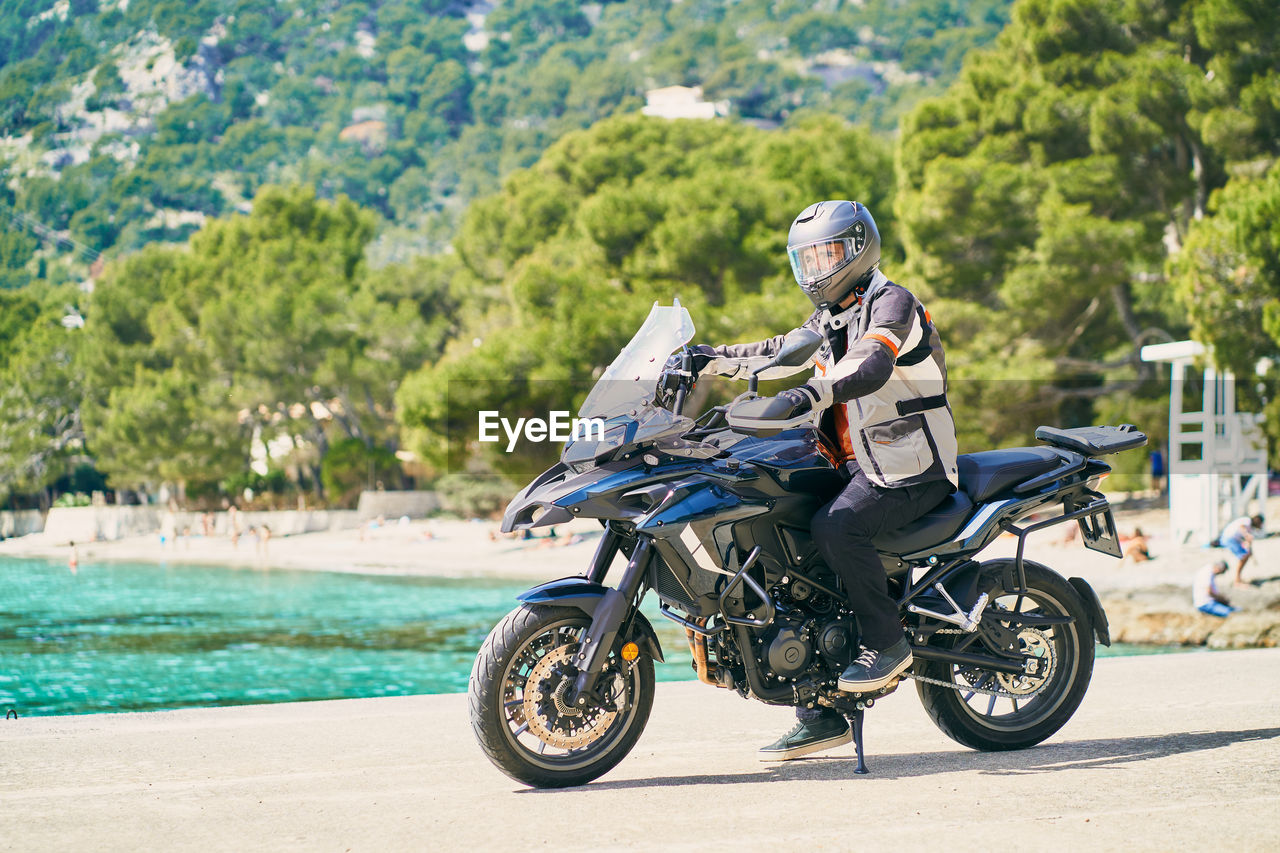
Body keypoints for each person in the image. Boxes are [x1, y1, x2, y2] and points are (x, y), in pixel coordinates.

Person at [686, 199, 958, 761]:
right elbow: (778, 352)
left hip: (910, 467)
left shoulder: (893, 302)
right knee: (781, 542)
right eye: (806, 258)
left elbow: (870, 364)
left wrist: (812, 391)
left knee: (836, 529)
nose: (816, 269)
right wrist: (705, 358)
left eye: (827, 254)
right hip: (851, 463)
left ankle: (888, 644)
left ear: (859, 250)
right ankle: (820, 710)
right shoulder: (829, 317)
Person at [1220, 514, 1263, 588]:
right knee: (1243, 556)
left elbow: (1248, 541)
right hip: (1229, 539)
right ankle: (1237, 581)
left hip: (1232, 539)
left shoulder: (1249, 527)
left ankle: (1238, 578)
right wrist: (1246, 535)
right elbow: (1241, 527)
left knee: (1245, 555)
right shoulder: (1247, 521)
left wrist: (1251, 552)